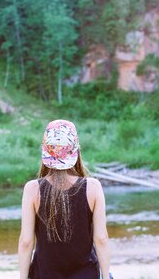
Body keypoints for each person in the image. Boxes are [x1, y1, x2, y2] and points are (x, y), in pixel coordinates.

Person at [18, 119, 111, 279]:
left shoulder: (32, 189)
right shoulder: (93, 187)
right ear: (76, 151)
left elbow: (26, 242)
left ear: (45, 152)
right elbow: (101, 239)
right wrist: (106, 275)